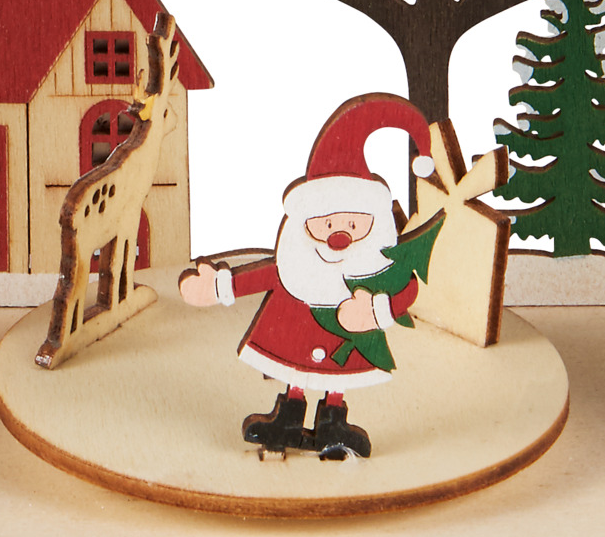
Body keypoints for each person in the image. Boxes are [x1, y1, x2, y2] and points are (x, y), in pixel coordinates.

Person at [179, 94, 434, 459]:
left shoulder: (374, 270)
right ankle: (287, 422)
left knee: (337, 381)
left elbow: (406, 290)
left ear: (374, 224)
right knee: (295, 375)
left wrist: (377, 311)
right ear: (304, 220)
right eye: (326, 224)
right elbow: (265, 274)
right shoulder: (295, 265)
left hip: (347, 339)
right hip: (293, 329)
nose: (338, 236)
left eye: (353, 224)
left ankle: (333, 427)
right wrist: (219, 286)